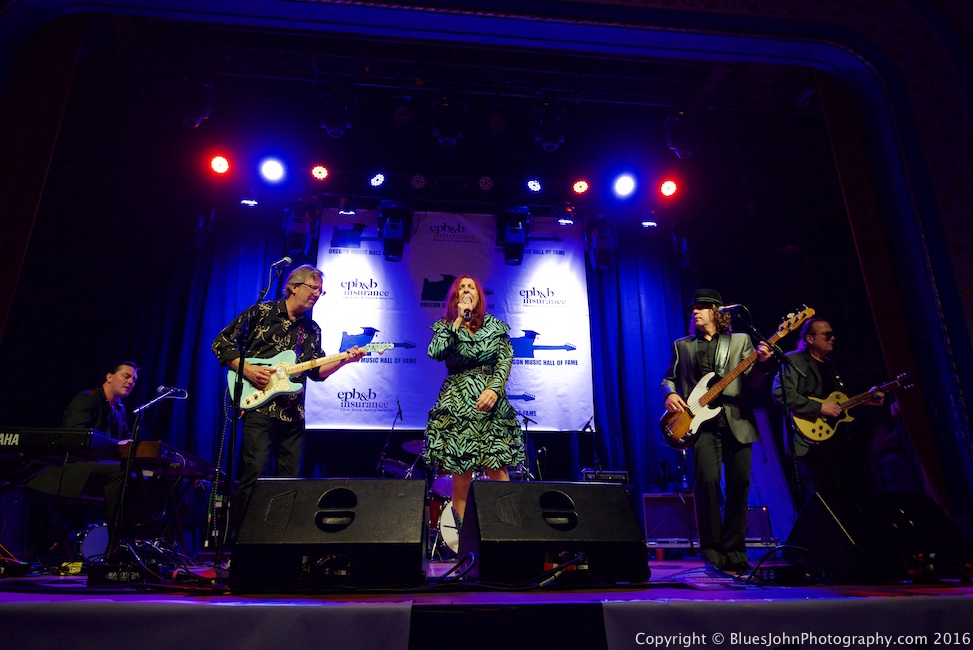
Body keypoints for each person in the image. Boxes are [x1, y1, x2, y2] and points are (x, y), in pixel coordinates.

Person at [212, 264, 366, 530]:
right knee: (254, 473)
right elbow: (221, 343)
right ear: (294, 287)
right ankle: (242, 543)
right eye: (313, 288)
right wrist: (246, 368)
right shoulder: (261, 312)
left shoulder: (312, 329)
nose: (317, 294)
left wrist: (344, 360)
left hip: (292, 415)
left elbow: (316, 372)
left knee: (288, 482)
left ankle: (278, 542)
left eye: (321, 291)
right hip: (258, 409)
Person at [661, 289, 774, 574]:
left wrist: (762, 363)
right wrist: (669, 395)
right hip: (700, 426)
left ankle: (736, 552)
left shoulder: (740, 341)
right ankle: (713, 553)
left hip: (737, 421)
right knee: (707, 486)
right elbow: (668, 378)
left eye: (701, 307)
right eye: (693, 309)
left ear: (717, 311)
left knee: (739, 488)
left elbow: (753, 383)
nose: (695, 312)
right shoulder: (683, 346)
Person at [423, 275, 525, 526]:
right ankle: (460, 545)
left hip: (491, 404)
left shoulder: (495, 327)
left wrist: (494, 390)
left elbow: (504, 361)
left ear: (479, 296)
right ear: (456, 297)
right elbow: (435, 353)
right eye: (461, 288)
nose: (466, 290)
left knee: (498, 471)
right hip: (458, 403)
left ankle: (508, 536)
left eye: (471, 287)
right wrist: (458, 320)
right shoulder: (447, 326)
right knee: (461, 477)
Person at [772, 317, 883, 503]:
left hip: (836, 441)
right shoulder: (794, 360)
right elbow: (780, 394)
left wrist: (865, 401)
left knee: (848, 495)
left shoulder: (830, 364)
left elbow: (838, 403)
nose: (833, 338)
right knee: (823, 500)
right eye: (827, 335)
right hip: (810, 442)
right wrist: (819, 407)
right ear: (810, 339)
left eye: (832, 334)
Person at [26, 361, 139, 542]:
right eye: (126, 376)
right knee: (122, 473)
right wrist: (117, 444)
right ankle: (117, 545)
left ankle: (138, 542)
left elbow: (126, 442)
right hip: (68, 467)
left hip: (95, 469)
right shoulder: (88, 399)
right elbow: (77, 437)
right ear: (109, 377)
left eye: (134, 379)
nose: (131, 382)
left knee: (143, 477)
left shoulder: (120, 410)